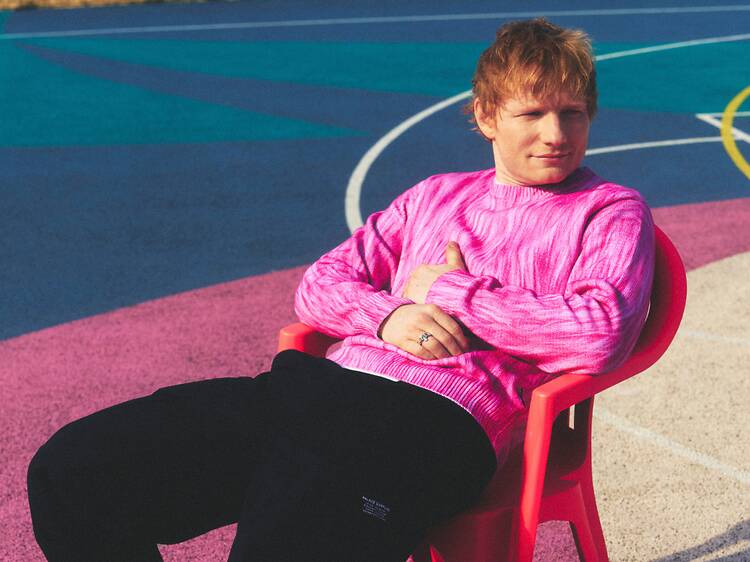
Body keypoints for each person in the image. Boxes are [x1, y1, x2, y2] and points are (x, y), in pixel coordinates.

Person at [27, 18, 654, 562]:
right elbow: (320, 284)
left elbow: (599, 332)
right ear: (487, 116)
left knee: (287, 538)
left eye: (573, 112)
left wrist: (453, 291)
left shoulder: (609, 209)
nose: (556, 134)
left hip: (433, 425)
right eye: (532, 114)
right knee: (72, 475)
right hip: (313, 390)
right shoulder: (433, 196)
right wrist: (388, 316)